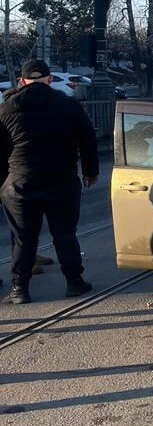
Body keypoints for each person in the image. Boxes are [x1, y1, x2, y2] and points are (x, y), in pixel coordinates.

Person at [0, 59, 98, 304]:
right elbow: (88, 139)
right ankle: (74, 282)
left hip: (20, 182)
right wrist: (90, 171)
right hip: (61, 180)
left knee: (23, 237)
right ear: (50, 79)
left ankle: (19, 289)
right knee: (65, 234)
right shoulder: (68, 105)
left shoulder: (6, 110)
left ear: (22, 81)